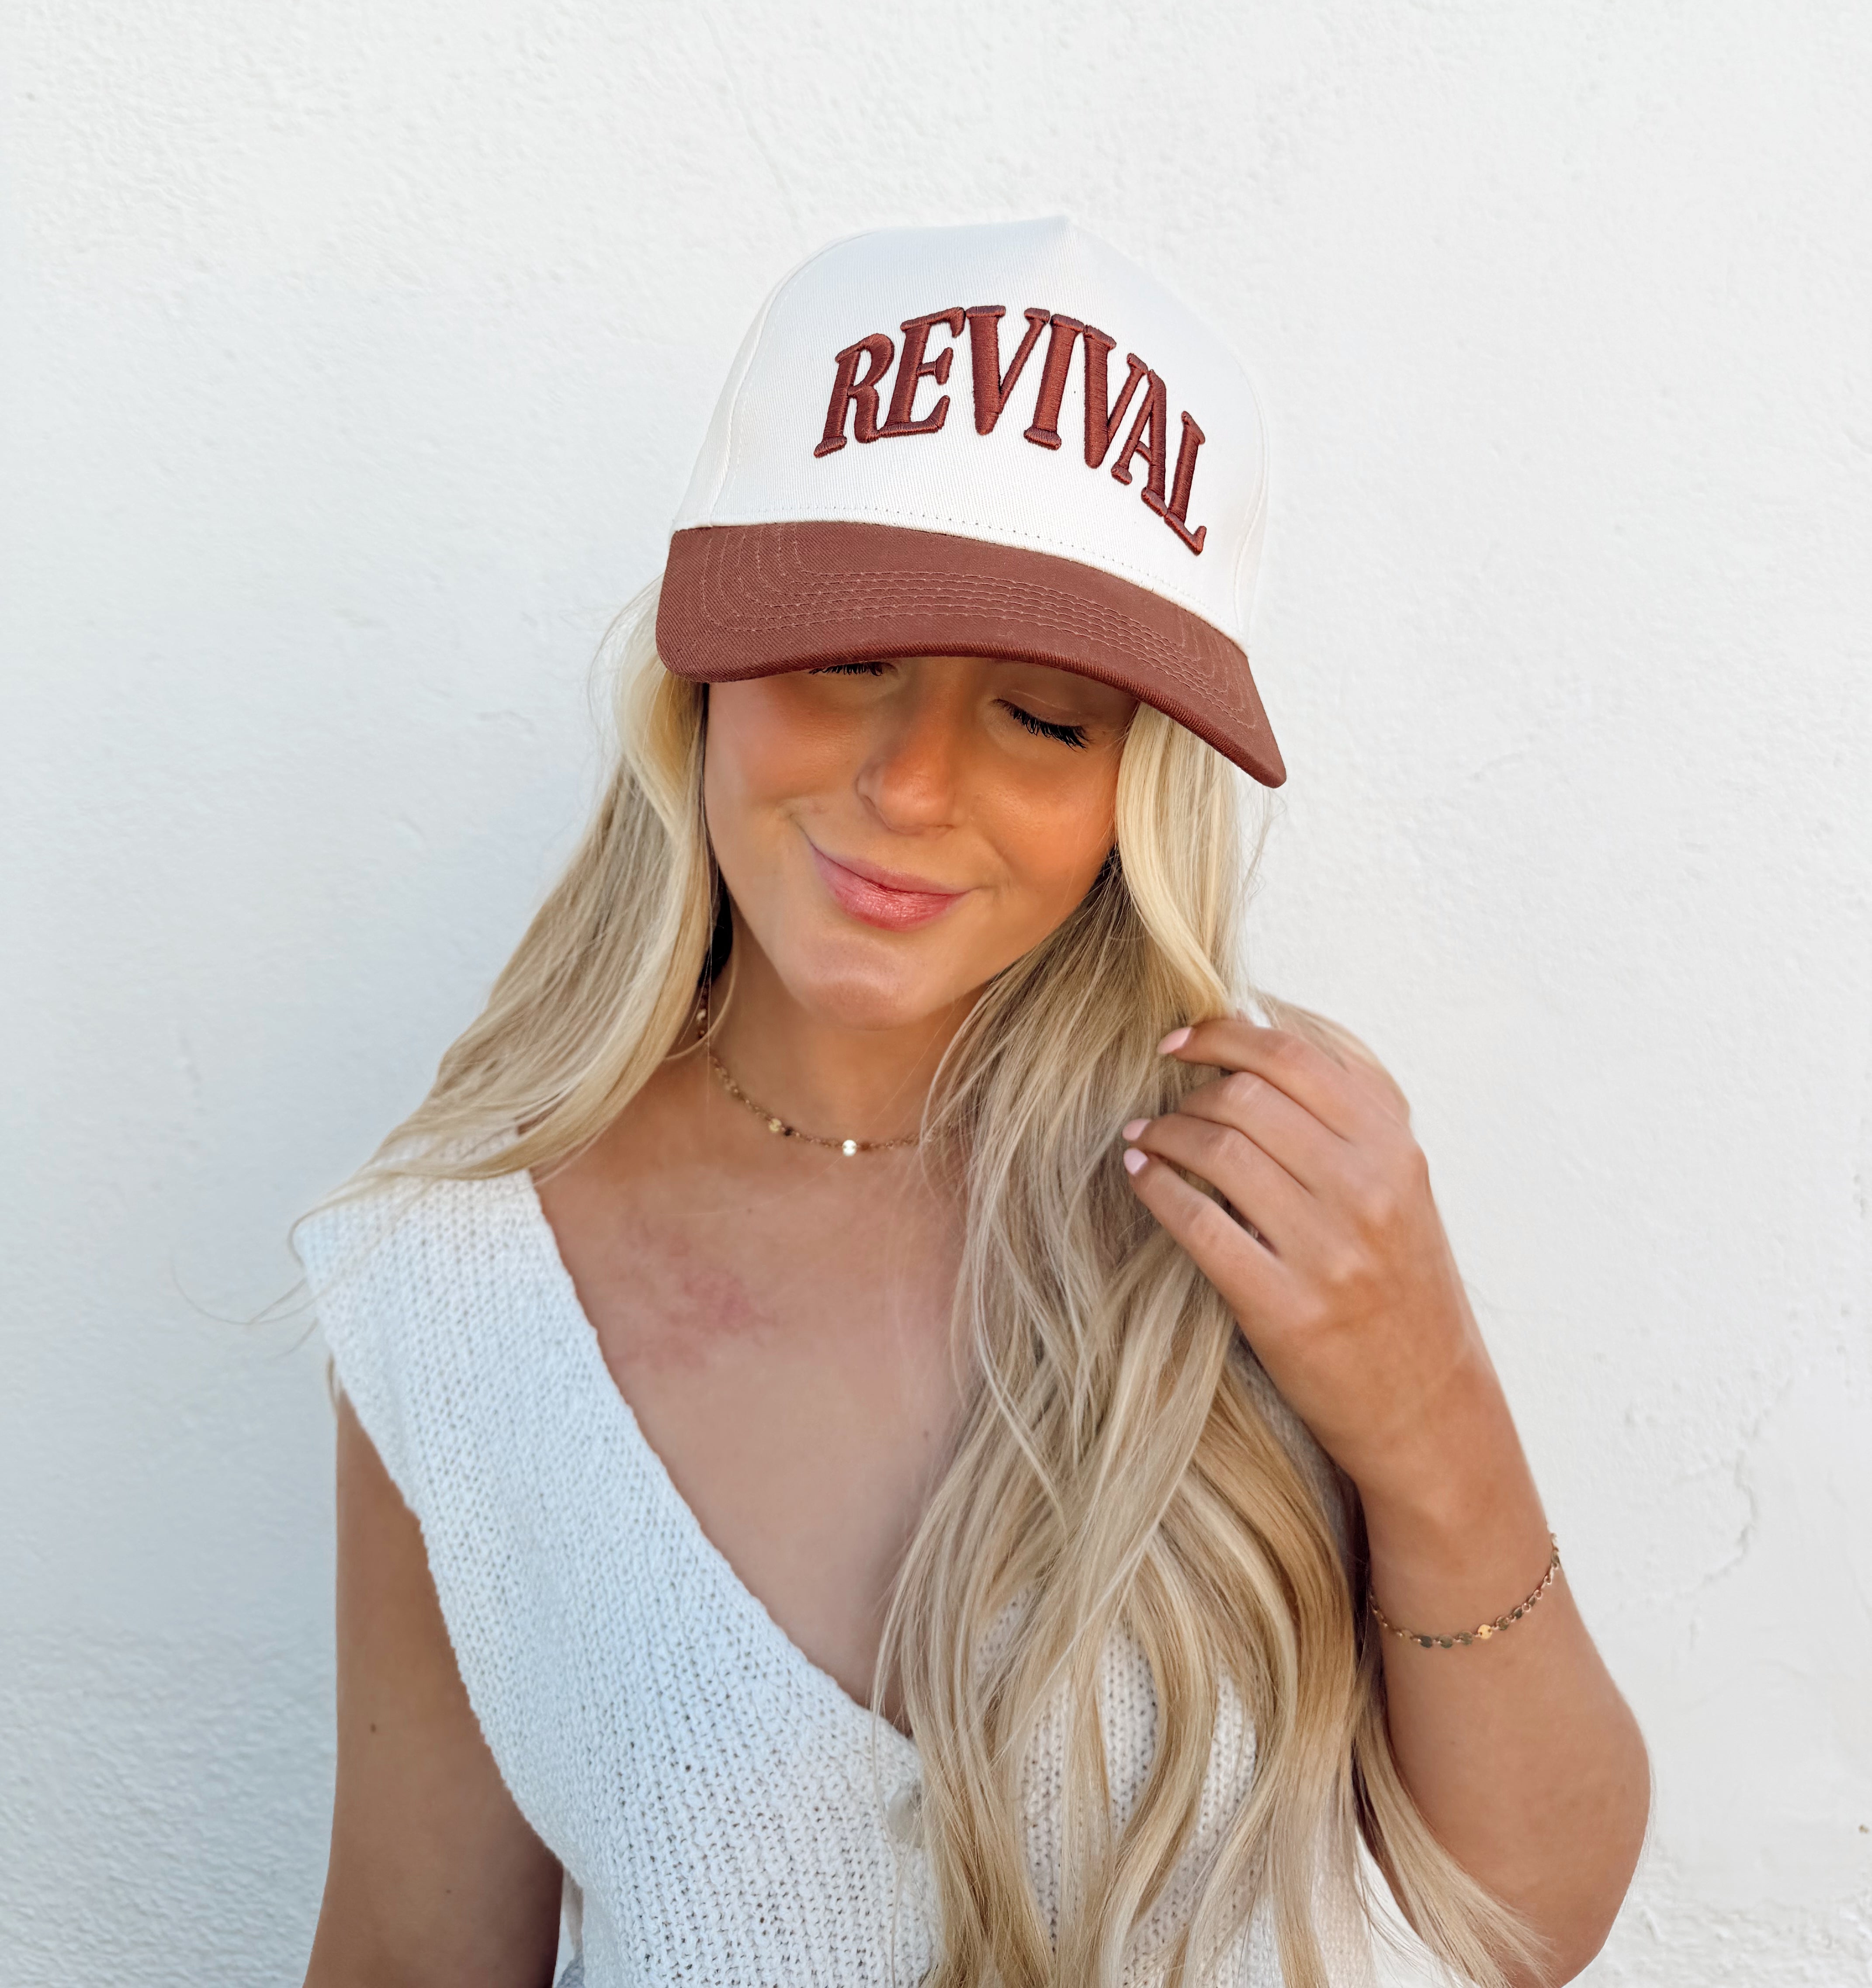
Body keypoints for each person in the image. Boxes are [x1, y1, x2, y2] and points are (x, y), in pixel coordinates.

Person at [297, 218, 1647, 1988]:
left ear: (1138, 793)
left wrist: (1426, 1403)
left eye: (1044, 718)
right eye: (847, 660)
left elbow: (1533, 1919)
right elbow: (411, 1951)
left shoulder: (1266, 1202)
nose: (915, 785)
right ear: (700, 674)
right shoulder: (459, 1291)